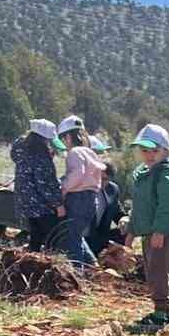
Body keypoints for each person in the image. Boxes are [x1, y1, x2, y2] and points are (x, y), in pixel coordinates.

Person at [125, 124, 169, 334]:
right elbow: (139, 206)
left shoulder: (167, 174)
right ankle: (168, 311)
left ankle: (160, 312)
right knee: (156, 269)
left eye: (154, 150)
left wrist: (160, 230)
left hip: (162, 232)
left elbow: (168, 204)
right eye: (144, 150)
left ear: (166, 150)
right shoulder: (146, 174)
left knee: (156, 271)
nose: (149, 155)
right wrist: (131, 231)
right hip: (149, 231)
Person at [57, 115, 105, 269]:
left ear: (68, 137)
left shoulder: (74, 153)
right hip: (91, 198)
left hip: (77, 198)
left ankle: (78, 271)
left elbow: (78, 173)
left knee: (72, 238)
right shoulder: (90, 152)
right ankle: (92, 265)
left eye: (63, 139)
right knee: (76, 234)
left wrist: (64, 187)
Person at [12, 118, 64, 250]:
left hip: (24, 201)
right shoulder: (41, 157)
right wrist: (58, 204)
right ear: (44, 139)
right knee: (54, 237)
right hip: (41, 205)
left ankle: (32, 256)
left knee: (35, 234)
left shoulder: (21, 149)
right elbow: (44, 185)